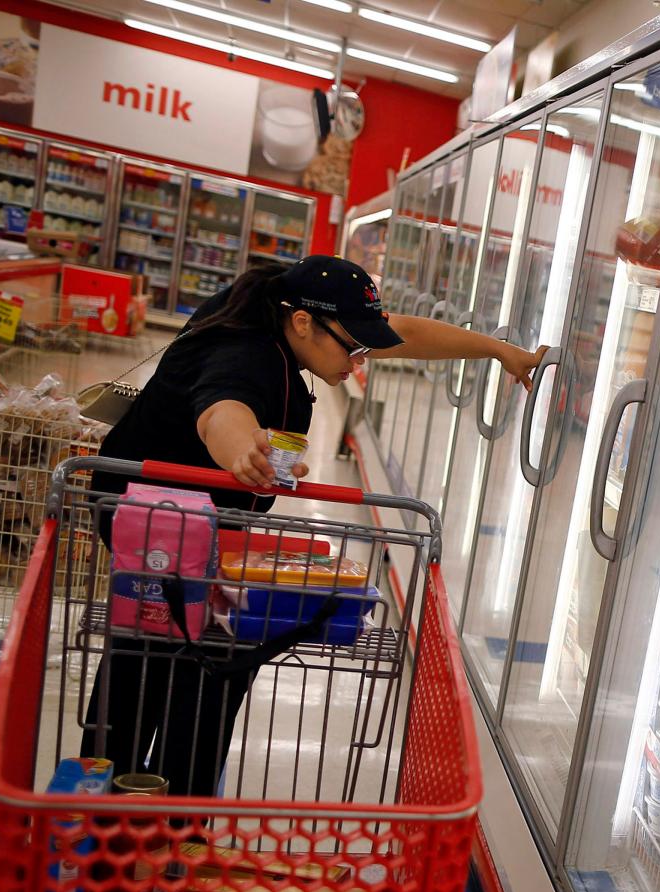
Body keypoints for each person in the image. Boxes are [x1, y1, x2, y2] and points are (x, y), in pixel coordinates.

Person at [81, 255, 542, 796]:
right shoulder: (249, 358)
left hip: (184, 524)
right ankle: (125, 815)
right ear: (303, 323)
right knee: (171, 667)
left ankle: (154, 809)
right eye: (353, 347)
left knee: (192, 662)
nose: (361, 360)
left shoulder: (272, 303)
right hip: (158, 532)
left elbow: (403, 332)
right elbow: (222, 411)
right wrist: (242, 455)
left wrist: (496, 350)